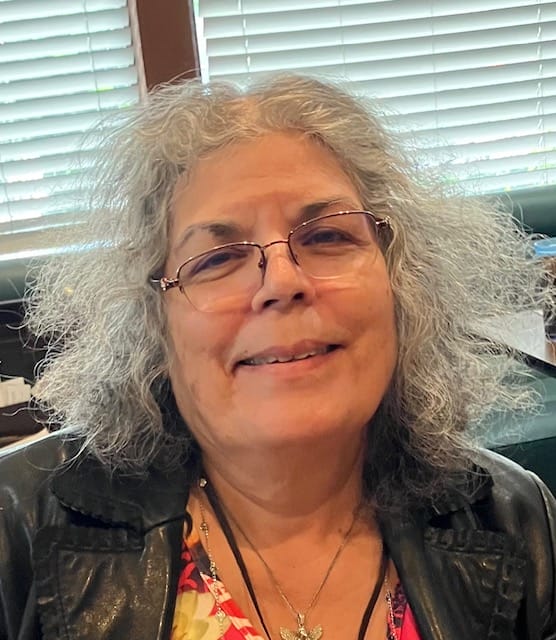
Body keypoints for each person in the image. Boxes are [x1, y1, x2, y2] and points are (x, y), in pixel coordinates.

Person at [0, 73, 554, 640]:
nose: (281, 282)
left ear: (402, 284)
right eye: (216, 259)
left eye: (328, 238)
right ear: (153, 325)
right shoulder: (16, 523)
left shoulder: (514, 519)